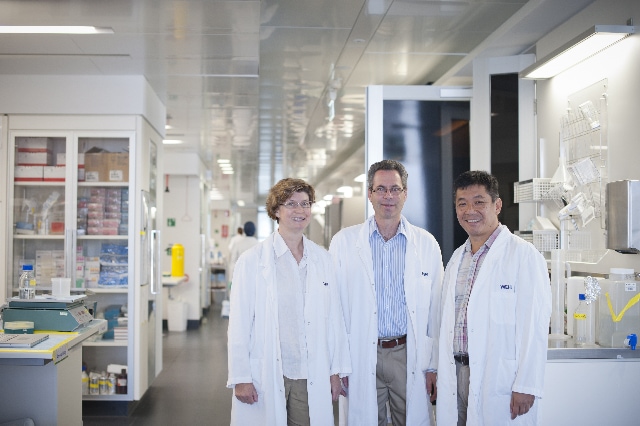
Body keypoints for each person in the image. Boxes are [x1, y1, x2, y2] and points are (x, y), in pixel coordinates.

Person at [227, 178, 351, 426]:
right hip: (268, 371)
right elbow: (239, 323)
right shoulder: (252, 261)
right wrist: (240, 376)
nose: (300, 210)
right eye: (291, 204)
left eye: (305, 203)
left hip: (309, 372)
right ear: (276, 210)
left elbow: (334, 320)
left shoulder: (323, 259)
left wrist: (335, 370)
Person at [329, 159, 443, 426]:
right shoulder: (344, 242)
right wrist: (337, 365)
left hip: (408, 353)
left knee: (411, 419)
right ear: (369, 193)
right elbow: (333, 309)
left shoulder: (426, 244)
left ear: (405, 193)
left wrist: (434, 365)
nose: (388, 196)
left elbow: (436, 311)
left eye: (395, 189)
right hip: (360, 353)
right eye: (380, 189)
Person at [436, 171, 552, 425]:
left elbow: (534, 325)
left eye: (479, 202)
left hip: (499, 378)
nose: (470, 211)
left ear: (497, 205)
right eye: (462, 204)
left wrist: (527, 384)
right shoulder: (457, 258)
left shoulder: (524, 255)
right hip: (456, 374)